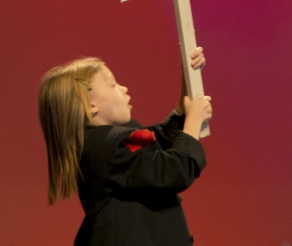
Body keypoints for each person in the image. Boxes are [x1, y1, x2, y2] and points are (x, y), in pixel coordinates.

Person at [38, 47, 212, 246]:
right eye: (112, 85)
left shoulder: (115, 138)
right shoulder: (110, 145)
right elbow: (173, 171)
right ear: (90, 104)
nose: (123, 88)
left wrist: (186, 91)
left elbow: (160, 141)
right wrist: (194, 119)